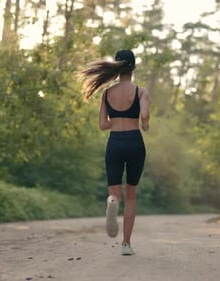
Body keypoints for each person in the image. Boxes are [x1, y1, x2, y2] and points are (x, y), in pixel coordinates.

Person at [78, 49, 150, 256]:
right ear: (133, 68)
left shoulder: (107, 93)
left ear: (116, 68)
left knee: (115, 192)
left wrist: (117, 120)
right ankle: (126, 244)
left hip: (115, 143)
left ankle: (112, 203)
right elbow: (144, 116)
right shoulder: (141, 92)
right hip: (135, 142)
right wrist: (144, 123)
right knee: (131, 193)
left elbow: (102, 124)